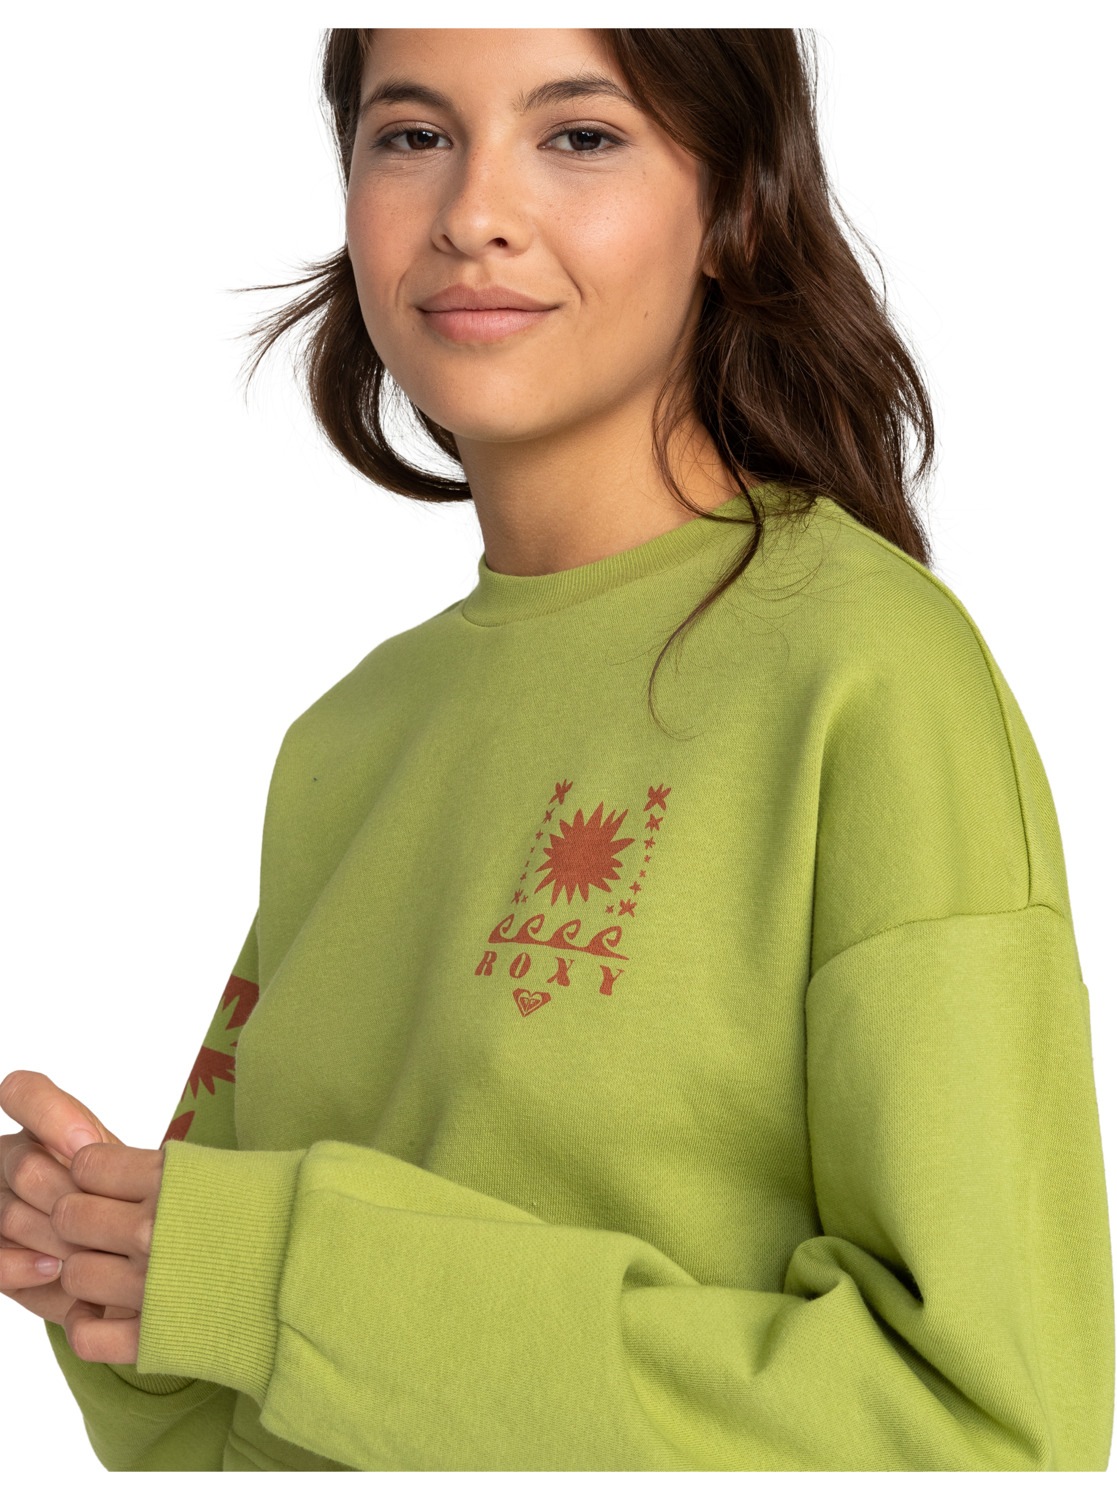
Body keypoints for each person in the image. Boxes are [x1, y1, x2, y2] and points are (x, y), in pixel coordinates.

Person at [0, 26, 1112, 1472]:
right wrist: (100, 1264)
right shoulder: (350, 735)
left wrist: (281, 1279)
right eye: (412, 136)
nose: (473, 213)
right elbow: (230, 1424)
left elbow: (988, 1428)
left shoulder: (869, 678)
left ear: (734, 206)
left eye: (580, 136)